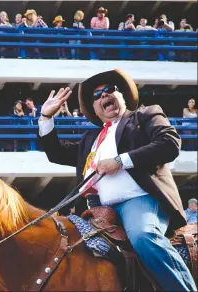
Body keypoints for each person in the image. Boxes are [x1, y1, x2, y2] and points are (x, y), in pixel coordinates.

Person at [38, 69, 197, 291]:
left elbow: (169, 143)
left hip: (138, 199)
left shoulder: (145, 115)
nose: (103, 96)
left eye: (109, 90)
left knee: (143, 236)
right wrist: (46, 118)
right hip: (95, 210)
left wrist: (120, 161)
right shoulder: (90, 139)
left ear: (121, 95)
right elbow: (56, 153)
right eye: (97, 96)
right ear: (94, 109)